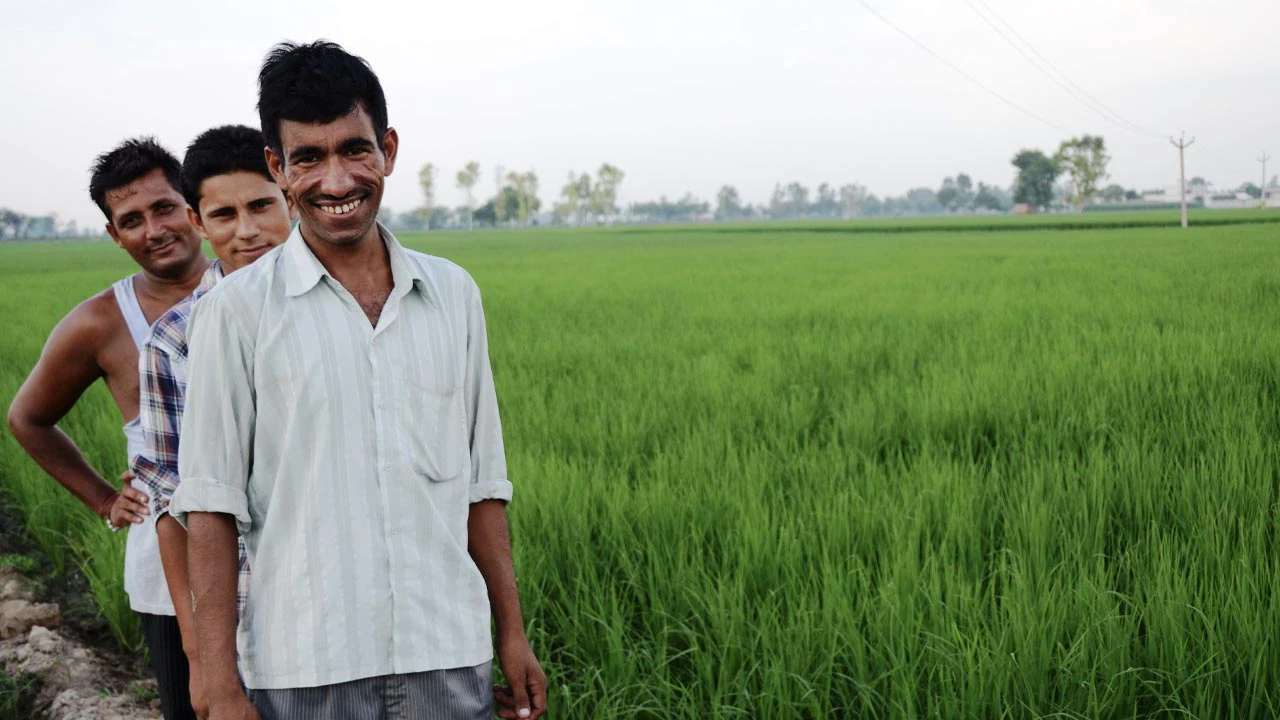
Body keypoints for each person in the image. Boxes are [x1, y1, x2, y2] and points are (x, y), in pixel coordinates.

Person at [171, 41, 547, 720]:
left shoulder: (453, 293)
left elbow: (483, 485)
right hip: (307, 665)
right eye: (308, 158)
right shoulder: (235, 312)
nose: (337, 181)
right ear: (277, 169)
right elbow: (210, 504)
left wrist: (511, 634)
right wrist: (220, 683)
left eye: (355, 150)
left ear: (389, 150)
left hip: (448, 655)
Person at [7, 138, 210, 720]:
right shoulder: (100, 322)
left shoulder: (251, 285)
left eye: (165, 207)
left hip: (276, 550)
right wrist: (102, 498)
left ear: (191, 206)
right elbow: (27, 418)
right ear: (114, 235)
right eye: (132, 220)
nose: (154, 229)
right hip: (170, 568)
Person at [132, 124, 296, 718]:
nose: (246, 230)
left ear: (291, 197)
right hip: (248, 617)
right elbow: (172, 510)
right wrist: (202, 660)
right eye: (223, 214)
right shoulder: (173, 342)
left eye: (261, 206)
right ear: (198, 223)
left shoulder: (340, 309)